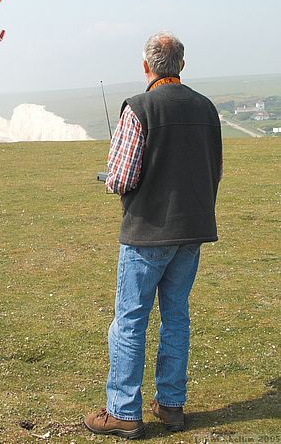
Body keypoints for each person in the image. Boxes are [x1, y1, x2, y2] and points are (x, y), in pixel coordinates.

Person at [84, 32, 222, 439]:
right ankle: (171, 405)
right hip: (193, 230)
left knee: (129, 321)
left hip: (147, 234)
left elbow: (122, 178)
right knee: (176, 317)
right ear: (181, 65)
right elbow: (213, 168)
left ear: (147, 67)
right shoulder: (207, 107)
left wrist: (111, 180)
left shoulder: (138, 107)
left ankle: (124, 412)